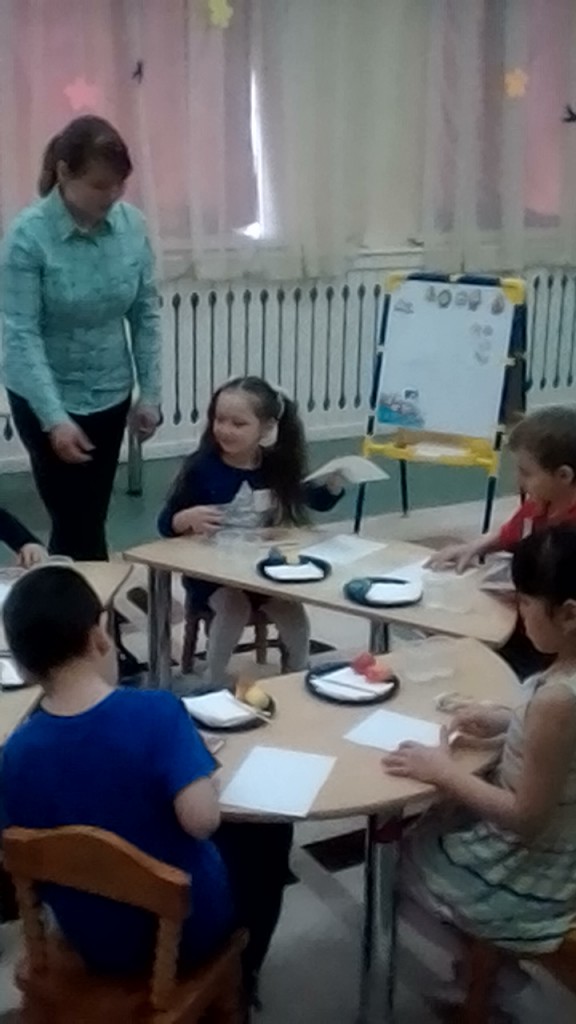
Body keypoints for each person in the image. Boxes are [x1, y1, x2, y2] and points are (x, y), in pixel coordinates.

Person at [0, 566, 291, 998]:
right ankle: (241, 980)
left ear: (23, 668)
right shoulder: (157, 712)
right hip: (181, 935)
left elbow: (15, 853)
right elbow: (202, 821)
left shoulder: (14, 753)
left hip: (92, 938)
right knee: (268, 832)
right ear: (100, 636)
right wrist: (202, 774)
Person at [383, 525, 576, 1013]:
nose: (520, 615)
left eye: (525, 603)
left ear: (569, 614)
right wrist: (509, 722)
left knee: (399, 861)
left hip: (538, 869)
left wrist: (443, 772)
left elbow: (525, 817)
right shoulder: (563, 682)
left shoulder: (558, 699)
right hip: (562, 836)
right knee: (442, 819)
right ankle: (481, 972)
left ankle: (494, 972)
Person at [0, 116, 162, 562]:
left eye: (119, 185)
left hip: (109, 390)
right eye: (99, 185)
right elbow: (21, 334)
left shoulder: (133, 227)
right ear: (64, 173)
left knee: (89, 516)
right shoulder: (27, 237)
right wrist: (55, 418)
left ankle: (79, 594)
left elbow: (145, 313)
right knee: (74, 520)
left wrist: (150, 395)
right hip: (43, 396)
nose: (112, 196)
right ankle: (81, 598)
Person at [158, 376, 344, 686]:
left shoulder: (275, 466)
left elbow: (314, 500)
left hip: (261, 571)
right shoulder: (202, 467)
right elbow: (165, 523)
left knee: (292, 610)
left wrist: (334, 484)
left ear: (266, 428)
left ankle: (297, 673)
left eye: (238, 423)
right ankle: (213, 679)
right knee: (234, 607)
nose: (225, 430)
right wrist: (184, 519)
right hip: (212, 575)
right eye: (219, 420)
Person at [429, 405, 576, 677]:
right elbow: (512, 533)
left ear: (564, 476)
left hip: (551, 643)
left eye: (526, 473)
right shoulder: (540, 502)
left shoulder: (569, 536)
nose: (518, 481)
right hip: (522, 623)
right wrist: (476, 546)